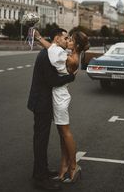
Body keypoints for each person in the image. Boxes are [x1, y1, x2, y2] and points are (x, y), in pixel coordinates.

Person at [34, 29, 89, 183]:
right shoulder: (70, 55)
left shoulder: (70, 58)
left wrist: (39, 37)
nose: (67, 41)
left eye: (70, 39)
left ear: (76, 45)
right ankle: (64, 165)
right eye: (67, 38)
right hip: (59, 94)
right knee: (61, 133)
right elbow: (53, 48)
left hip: (60, 96)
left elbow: (52, 48)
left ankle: (73, 166)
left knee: (65, 132)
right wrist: (41, 38)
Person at [27, 28, 77, 190]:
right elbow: (51, 81)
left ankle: (42, 170)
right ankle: (40, 178)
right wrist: (71, 77)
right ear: (57, 38)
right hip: (41, 103)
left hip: (41, 101)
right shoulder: (49, 54)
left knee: (42, 139)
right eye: (65, 38)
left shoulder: (50, 51)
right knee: (41, 141)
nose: (67, 40)